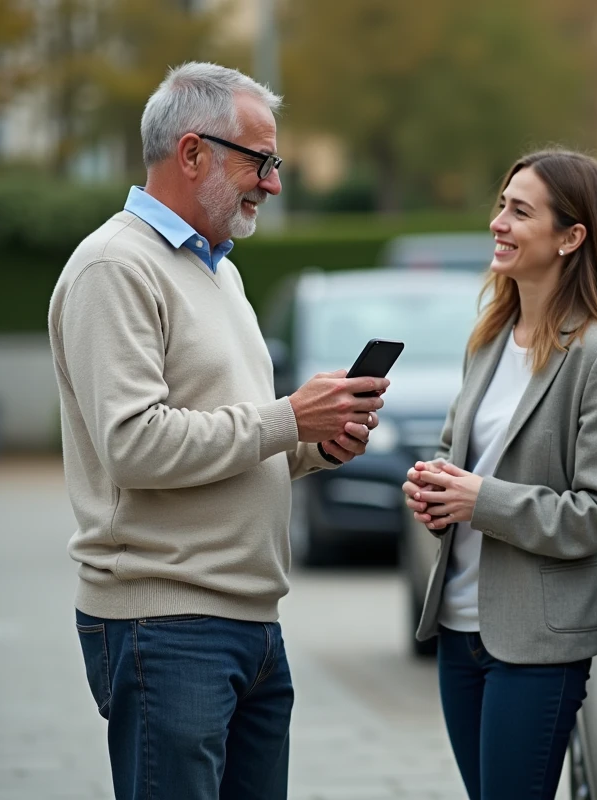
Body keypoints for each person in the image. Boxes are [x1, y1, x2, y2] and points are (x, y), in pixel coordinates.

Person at [48, 62, 388, 800]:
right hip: (166, 625)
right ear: (192, 152)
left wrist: (311, 443)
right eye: (260, 162)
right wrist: (287, 417)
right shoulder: (115, 267)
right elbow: (135, 447)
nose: (272, 182)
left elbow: (226, 438)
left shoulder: (218, 272)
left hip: (249, 622)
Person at [403, 149, 597, 800]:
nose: (498, 223)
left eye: (519, 211)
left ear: (571, 238)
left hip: (538, 643)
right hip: (459, 627)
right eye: (500, 206)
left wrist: (479, 499)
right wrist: (433, 489)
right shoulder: (489, 339)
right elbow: (458, 454)